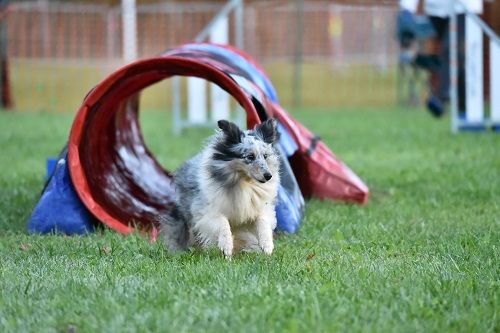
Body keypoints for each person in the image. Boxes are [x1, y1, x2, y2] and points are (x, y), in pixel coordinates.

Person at [399, 0, 483, 117]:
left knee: (450, 50)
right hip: (436, 9)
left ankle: (441, 98)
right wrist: (407, 9)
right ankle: (464, 107)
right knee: (452, 58)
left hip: (463, 7)